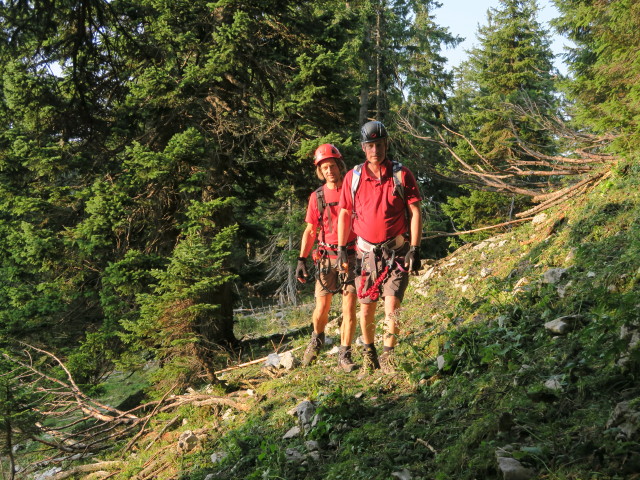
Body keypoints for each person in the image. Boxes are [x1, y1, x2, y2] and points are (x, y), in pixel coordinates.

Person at [337, 121, 422, 375]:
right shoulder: (353, 178)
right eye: (371, 145)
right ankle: (369, 353)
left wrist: (415, 248)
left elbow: (415, 212)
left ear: (387, 145)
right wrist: (342, 247)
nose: (376, 150)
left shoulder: (401, 174)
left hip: (395, 251)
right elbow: (344, 212)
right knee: (366, 307)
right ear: (364, 148)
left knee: (392, 304)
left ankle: (388, 357)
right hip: (365, 255)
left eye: (380, 144)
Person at [296, 143, 359, 372]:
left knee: (349, 307)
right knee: (321, 306)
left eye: (332, 166)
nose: (329, 170)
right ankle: (317, 338)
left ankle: (345, 353)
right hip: (325, 256)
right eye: (324, 168)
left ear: (339, 166)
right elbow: (311, 230)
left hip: (352, 255)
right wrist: (301, 259)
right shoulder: (317, 196)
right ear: (320, 171)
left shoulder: (352, 189)